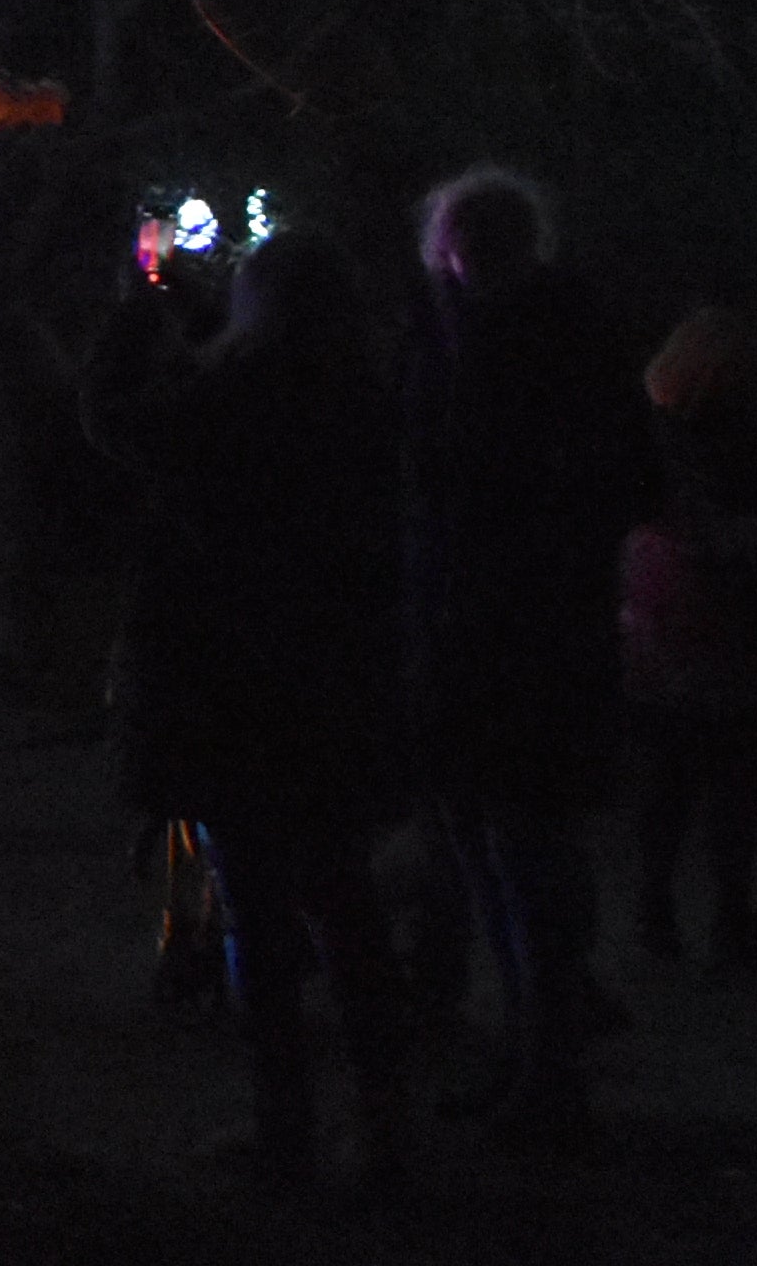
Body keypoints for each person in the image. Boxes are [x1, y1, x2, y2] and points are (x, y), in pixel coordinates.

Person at [90, 225, 423, 1190]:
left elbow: (120, 419)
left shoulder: (230, 401)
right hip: (336, 688)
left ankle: (288, 1127)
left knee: (260, 917)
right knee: (344, 901)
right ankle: (383, 1121)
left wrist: (135, 312)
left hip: (232, 692)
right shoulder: (367, 402)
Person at [400, 162, 651, 1153]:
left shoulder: (513, 348)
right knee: (498, 850)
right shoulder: (478, 342)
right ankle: (533, 1055)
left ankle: (546, 1064)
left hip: (514, 636)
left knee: (521, 853)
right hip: (492, 631)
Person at [623, 305, 757, 974]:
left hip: (668, 622)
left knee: (674, 771)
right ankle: (724, 921)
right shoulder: (723, 443)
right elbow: (710, 530)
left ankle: (662, 916)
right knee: (725, 769)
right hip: (715, 617)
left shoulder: (662, 433)